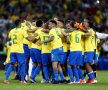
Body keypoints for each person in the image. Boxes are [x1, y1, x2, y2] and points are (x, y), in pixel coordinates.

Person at [4, 19, 26, 84]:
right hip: (20, 50)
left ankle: (6, 80)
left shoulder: (11, 30)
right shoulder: (22, 31)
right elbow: (28, 38)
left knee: (12, 64)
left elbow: (9, 39)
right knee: (22, 65)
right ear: (19, 24)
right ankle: (22, 81)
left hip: (12, 50)